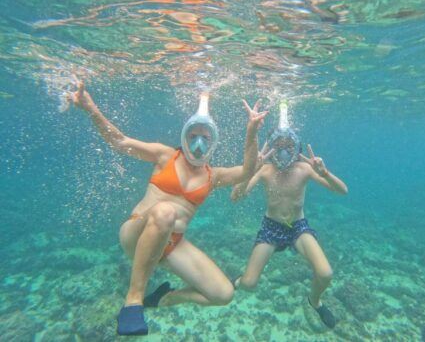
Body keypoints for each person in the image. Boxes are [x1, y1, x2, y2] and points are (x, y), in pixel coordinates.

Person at [70, 79, 267, 336]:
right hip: (137, 231)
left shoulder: (213, 175)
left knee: (223, 294)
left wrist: (251, 131)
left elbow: (247, 171)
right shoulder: (165, 155)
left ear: (214, 142)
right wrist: (90, 108)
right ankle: (133, 300)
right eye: (192, 136)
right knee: (166, 212)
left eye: (205, 138)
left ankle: (165, 298)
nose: (198, 144)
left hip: (170, 245)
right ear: (183, 136)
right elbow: (119, 142)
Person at [231, 101, 347, 329]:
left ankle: (315, 301)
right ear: (271, 146)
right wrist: (251, 169)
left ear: (296, 147)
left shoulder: (304, 169)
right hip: (270, 228)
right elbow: (235, 197)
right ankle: (236, 281)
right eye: (278, 145)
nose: (283, 151)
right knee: (249, 283)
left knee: (325, 274)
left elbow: (342, 190)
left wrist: (326, 173)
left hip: (297, 227)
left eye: (288, 146)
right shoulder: (265, 170)